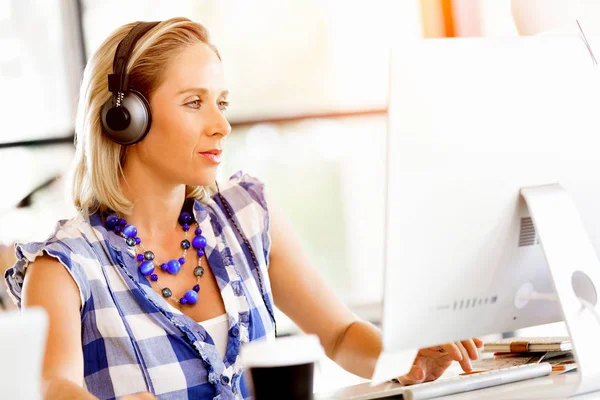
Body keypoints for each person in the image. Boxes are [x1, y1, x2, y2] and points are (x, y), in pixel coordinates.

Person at [4, 17, 482, 400]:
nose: (221, 125)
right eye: (194, 103)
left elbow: (339, 335)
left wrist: (408, 356)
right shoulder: (63, 266)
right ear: (125, 117)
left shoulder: (245, 215)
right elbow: (51, 386)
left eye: (223, 103)